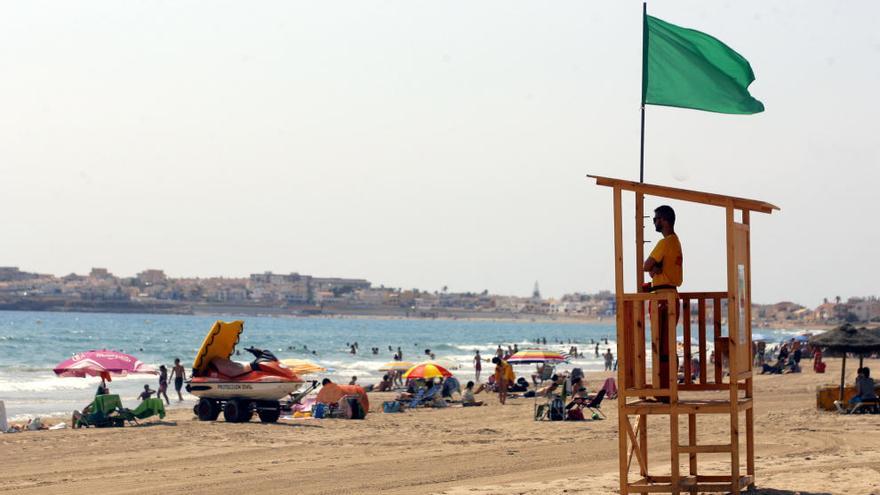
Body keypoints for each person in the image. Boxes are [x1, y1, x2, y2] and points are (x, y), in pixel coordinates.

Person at [643, 205, 683, 398]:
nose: (654, 222)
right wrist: (656, 268)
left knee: (661, 344)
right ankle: (667, 386)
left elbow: (646, 266)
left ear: (664, 220)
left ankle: (663, 388)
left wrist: (655, 267)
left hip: (662, 297)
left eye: (656, 219)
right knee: (668, 343)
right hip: (671, 295)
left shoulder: (665, 242)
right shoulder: (675, 242)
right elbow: (652, 268)